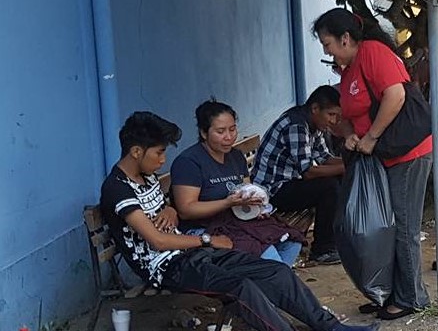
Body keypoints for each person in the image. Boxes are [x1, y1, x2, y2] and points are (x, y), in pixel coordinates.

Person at [100, 111, 380, 331]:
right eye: (159, 152)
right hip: (169, 268)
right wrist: (207, 240)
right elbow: (157, 240)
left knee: (276, 271)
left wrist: (171, 209)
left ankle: (330, 326)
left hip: (194, 254)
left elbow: (168, 211)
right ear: (136, 151)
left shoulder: (145, 176)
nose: (163, 160)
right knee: (240, 288)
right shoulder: (117, 189)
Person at [312, 8, 433, 320]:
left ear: (346, 38)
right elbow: (351, 114)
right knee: (383, 227)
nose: (325, 50)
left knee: (404, 227)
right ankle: (388, 292)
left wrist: (372, 137)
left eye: (327, 43)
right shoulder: (348, 67)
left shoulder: (373, 53)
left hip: (407, 154)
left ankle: (411, 297)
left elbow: (395, 97)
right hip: (380, 157)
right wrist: (352, 136)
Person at [171, 101, 305, 267]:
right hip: (206, 228)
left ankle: (272, 283)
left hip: (237, 221)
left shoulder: (235, 156)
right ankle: (275, 282)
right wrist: (227, 203)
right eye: (220, 131)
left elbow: (247, 190)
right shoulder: (189, 162)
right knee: (264, 252)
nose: (228, 137)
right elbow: (186, 210)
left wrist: (258, 207)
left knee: (291, 240)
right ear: (204, 133)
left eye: (232, 129)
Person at [251, 85, 345, 265]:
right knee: (329, 188)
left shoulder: (314, 125)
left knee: (337, 181)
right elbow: (309, 171)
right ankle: (322, 250)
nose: (334, 121)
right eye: (331, 115)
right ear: (315, 108)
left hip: (291, 183)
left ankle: (338, 237)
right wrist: (346, 168)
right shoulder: (296, 125)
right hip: (272, 192)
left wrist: (351, 163)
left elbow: (324, 158)